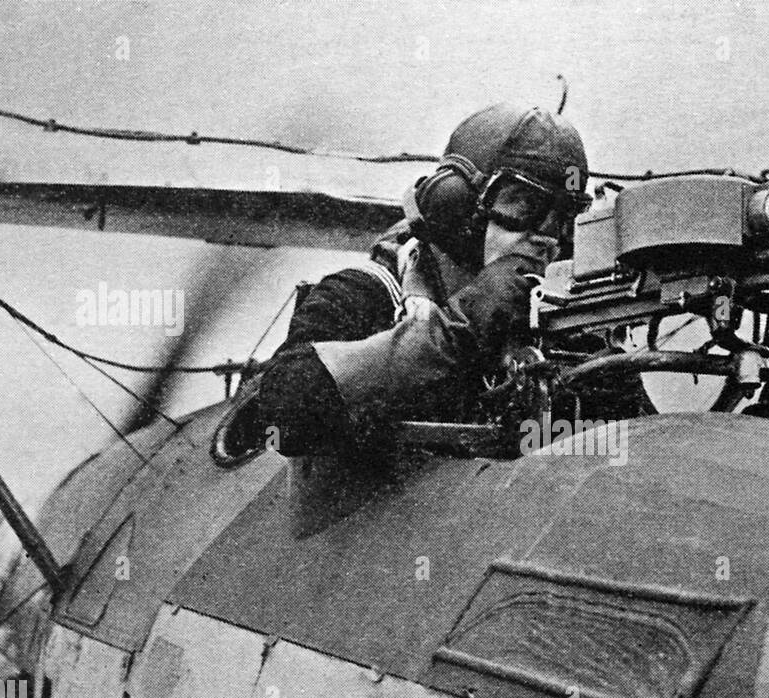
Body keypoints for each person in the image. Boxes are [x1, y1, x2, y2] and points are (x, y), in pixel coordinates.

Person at [259, 103, 641, 458]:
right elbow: (283, 411)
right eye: (523, 206)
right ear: (456, 203)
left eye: (561, 218)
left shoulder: (563, 326)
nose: (545, 237)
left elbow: (629, 454)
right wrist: (468, 324)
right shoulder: (365, 296)